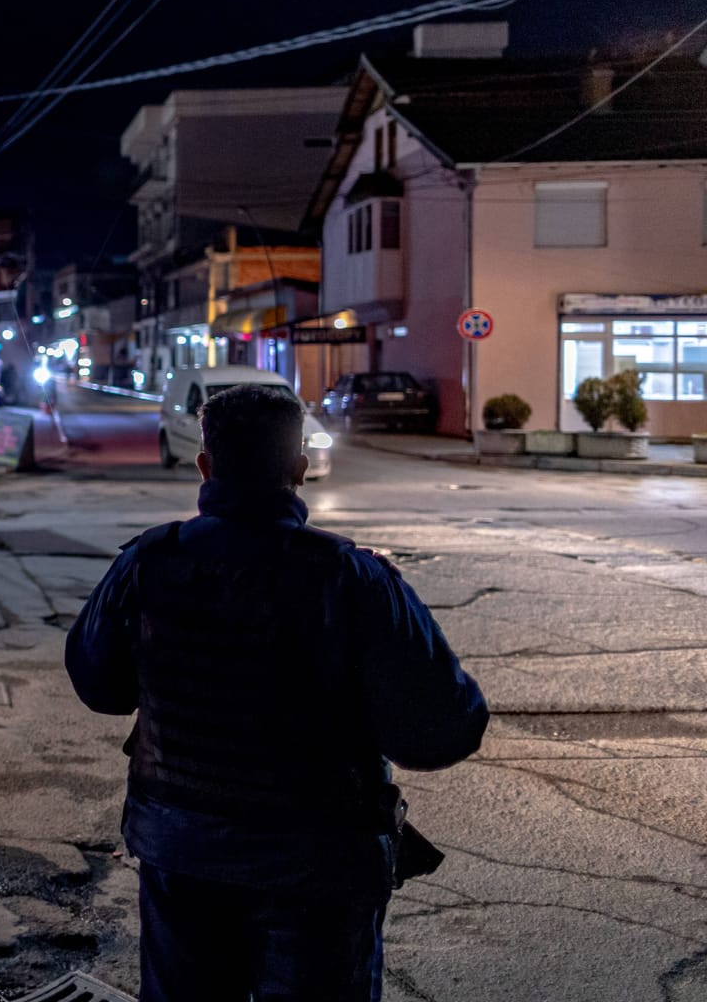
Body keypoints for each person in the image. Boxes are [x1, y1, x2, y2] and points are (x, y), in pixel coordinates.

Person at [65, 383, 487, 1001]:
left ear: (205, 464)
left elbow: (97, 685)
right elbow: (443, 730)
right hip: (319, 864)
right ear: (299, 468)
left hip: (181, 852)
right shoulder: (352, 579)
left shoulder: (150, 561)